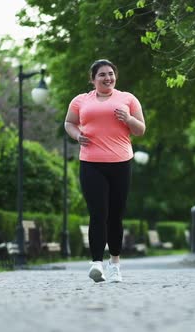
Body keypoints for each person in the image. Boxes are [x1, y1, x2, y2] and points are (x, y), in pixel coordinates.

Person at [64, 59, 146, 283]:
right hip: (91, 163)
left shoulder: (128, 98)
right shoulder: (80, 101)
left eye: (111, 74)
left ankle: (115, 264)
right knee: (98, 213)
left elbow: (140, 130)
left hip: (121, 162)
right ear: (93, 79)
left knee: (115, 216)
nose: (107, 78)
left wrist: (128, 119)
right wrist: (76, 135)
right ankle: (97, 263)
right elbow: (69, 123)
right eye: (102, 74)